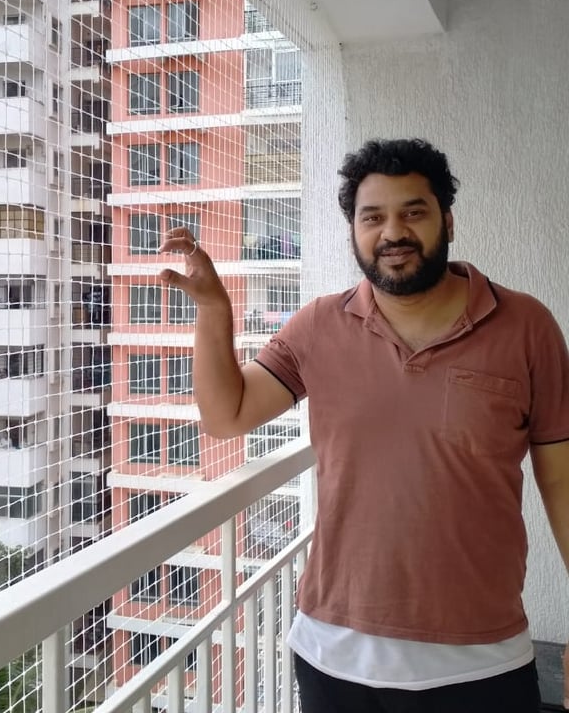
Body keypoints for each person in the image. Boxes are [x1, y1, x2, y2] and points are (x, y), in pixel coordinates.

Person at [158, 138, 569, 713]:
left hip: (484, 657)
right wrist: (212, 310)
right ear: (353, 230)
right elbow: (228, 415)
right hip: (336, 658)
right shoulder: (317, 327)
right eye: (372, 217)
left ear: (447, 219)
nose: (392, 232)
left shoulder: (526, 326)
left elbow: (560, 480)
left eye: (413, 212)